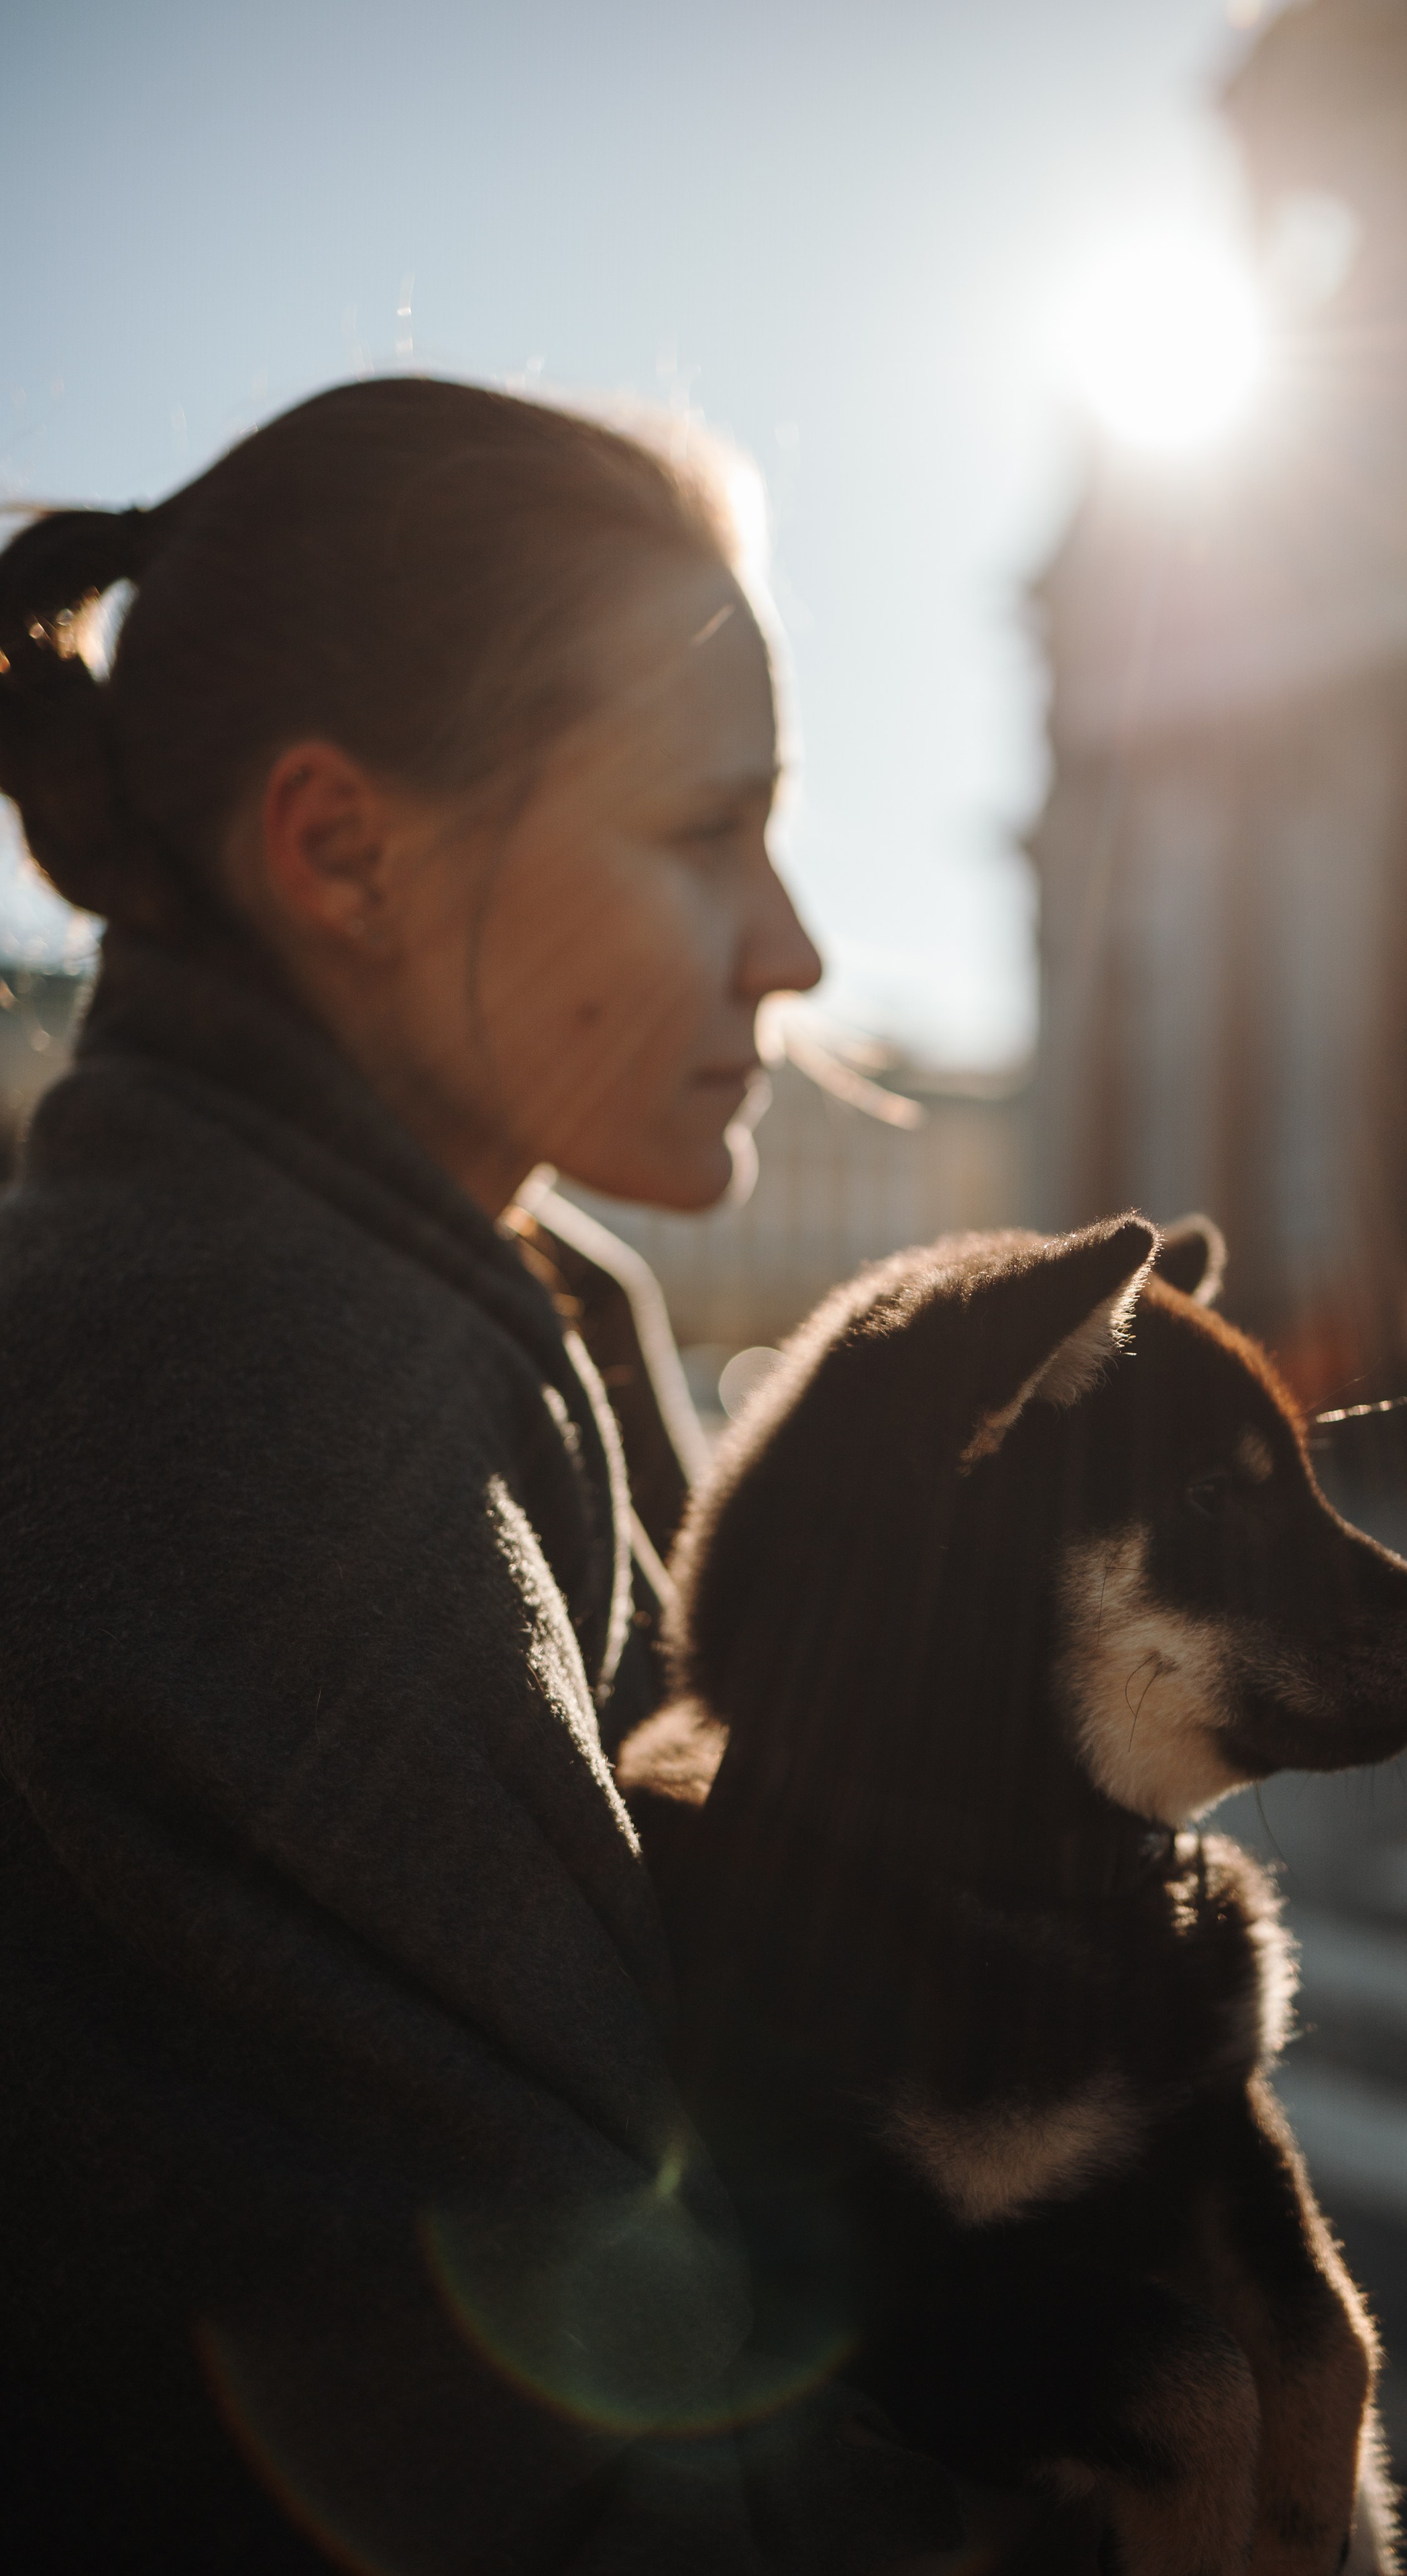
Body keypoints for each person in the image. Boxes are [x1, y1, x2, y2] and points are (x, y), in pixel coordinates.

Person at [0, 379, 960, 2574]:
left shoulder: (509, 1293)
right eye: (704, 832)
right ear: (340, 847)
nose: (794, 950)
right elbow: (608, 2423)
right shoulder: (234, 1396)